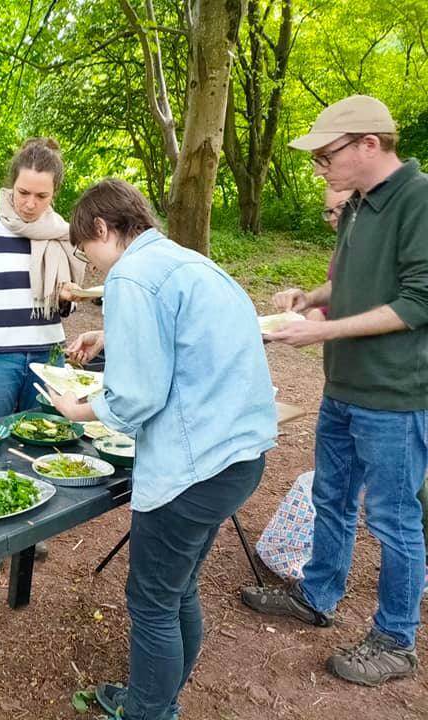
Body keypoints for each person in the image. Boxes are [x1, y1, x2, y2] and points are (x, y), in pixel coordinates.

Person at [50, 179, 276, 720]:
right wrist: (111, 337)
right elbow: (185, 336)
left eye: (88, 251)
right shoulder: (186, 262)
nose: (94, 265)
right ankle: (159, 699)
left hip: (192, 467)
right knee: (178, 591)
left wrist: (78, 407)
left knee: (152, 601)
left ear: (103, 229)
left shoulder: (131, 274)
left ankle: (149, 712)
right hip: (240, 457)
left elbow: (136, 398)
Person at [241, 95, 428, 686]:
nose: (321, 169)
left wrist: (323, 330)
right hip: (343, 387)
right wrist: (310, 298)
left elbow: (417, 302)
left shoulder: (419, 200)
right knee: (332, 497)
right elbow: (349, 282)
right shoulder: (357, 205)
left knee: (395, 520)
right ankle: (318, 595)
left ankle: (396, 640)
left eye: (327, 157)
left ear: (369, 145)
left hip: (395, 396)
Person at [0, 138, 85, 420]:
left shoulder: (62, 236)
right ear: (12, 184)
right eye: (23, 192)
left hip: (48, 357)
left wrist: (64, 299)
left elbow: (68, 309)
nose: (30, 203)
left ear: (54, 193)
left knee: (45, 444)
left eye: (41, 196)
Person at [305, 186, 353, 321]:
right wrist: (317, 308)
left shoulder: (377, 244)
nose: (333, 217)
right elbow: (339, 285)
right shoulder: (342, 243)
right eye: (329, 211)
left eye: (342, 207)